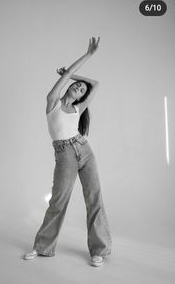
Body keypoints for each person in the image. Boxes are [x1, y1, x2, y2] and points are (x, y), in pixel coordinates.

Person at [23, 37, 112, 267]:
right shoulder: (52, 102)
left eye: (81, 88)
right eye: (75, 85)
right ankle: (42, 247)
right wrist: (81, 61)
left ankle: (99, 250)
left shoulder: (78, 108)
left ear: (82, 97)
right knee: (58, 201)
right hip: (64, 154)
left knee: (94, 198)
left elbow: (96, 84)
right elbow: (66, 76)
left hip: (84, 149)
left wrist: (77, 77)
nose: (78, 86)